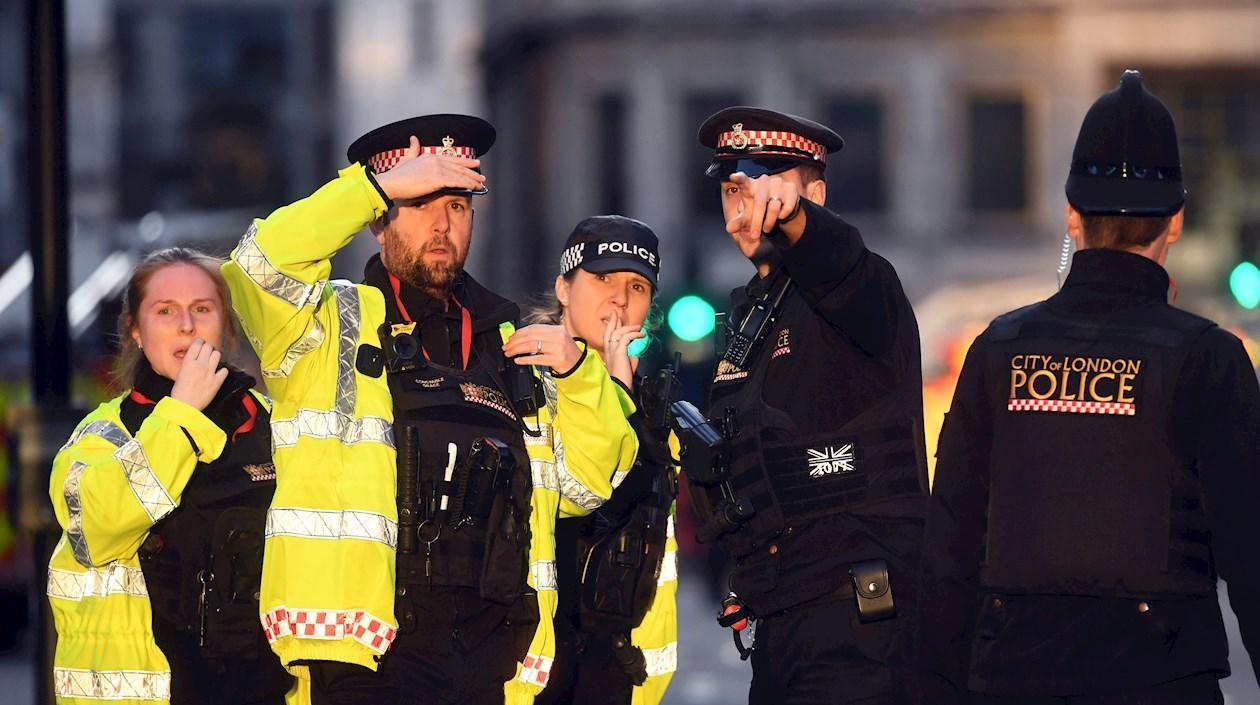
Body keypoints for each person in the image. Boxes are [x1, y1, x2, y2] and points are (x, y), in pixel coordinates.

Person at [222, 114, 638, 705]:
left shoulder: (512, 344)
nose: (442, 225)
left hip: (491, 653)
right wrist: (372, 187)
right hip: (366, 651)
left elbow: (586, 486)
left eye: (458, 206)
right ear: (380, 219)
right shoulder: (325, 324)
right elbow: (259, 265)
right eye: (419, 203)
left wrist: (579, 378)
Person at [917, 69, 1260, 704]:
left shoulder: (997, 350)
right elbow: (1252, 556)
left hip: (1012, 680)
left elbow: (948, 556)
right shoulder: (1209, 359)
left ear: (1071, 215)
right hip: (1162, 683)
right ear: (1176, 221)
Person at [677, 107, 928, 704]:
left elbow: (841, 260)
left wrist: (797, 221)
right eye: (732, 192)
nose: (743, 213)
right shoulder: (754, 315)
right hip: (782, 622)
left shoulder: (858, 288)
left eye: (764, 190)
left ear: (814, 197)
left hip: (860, 626)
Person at [47, 248, 293, 705]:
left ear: (225, 325)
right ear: (136, 332)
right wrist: (182, 413)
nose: (186, 325)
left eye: (202, 309)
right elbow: (97, 530)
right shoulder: (103, 435)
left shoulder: (275, 425)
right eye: (165, 311)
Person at [532, 216, 679, 705]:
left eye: (637, 287)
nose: (619, 298)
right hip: (540, 651)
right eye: (603, 278)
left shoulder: (656, 405)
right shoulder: (527, 377)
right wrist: (614, 392)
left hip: (617, 661)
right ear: (563, 289)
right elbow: (587, 496)